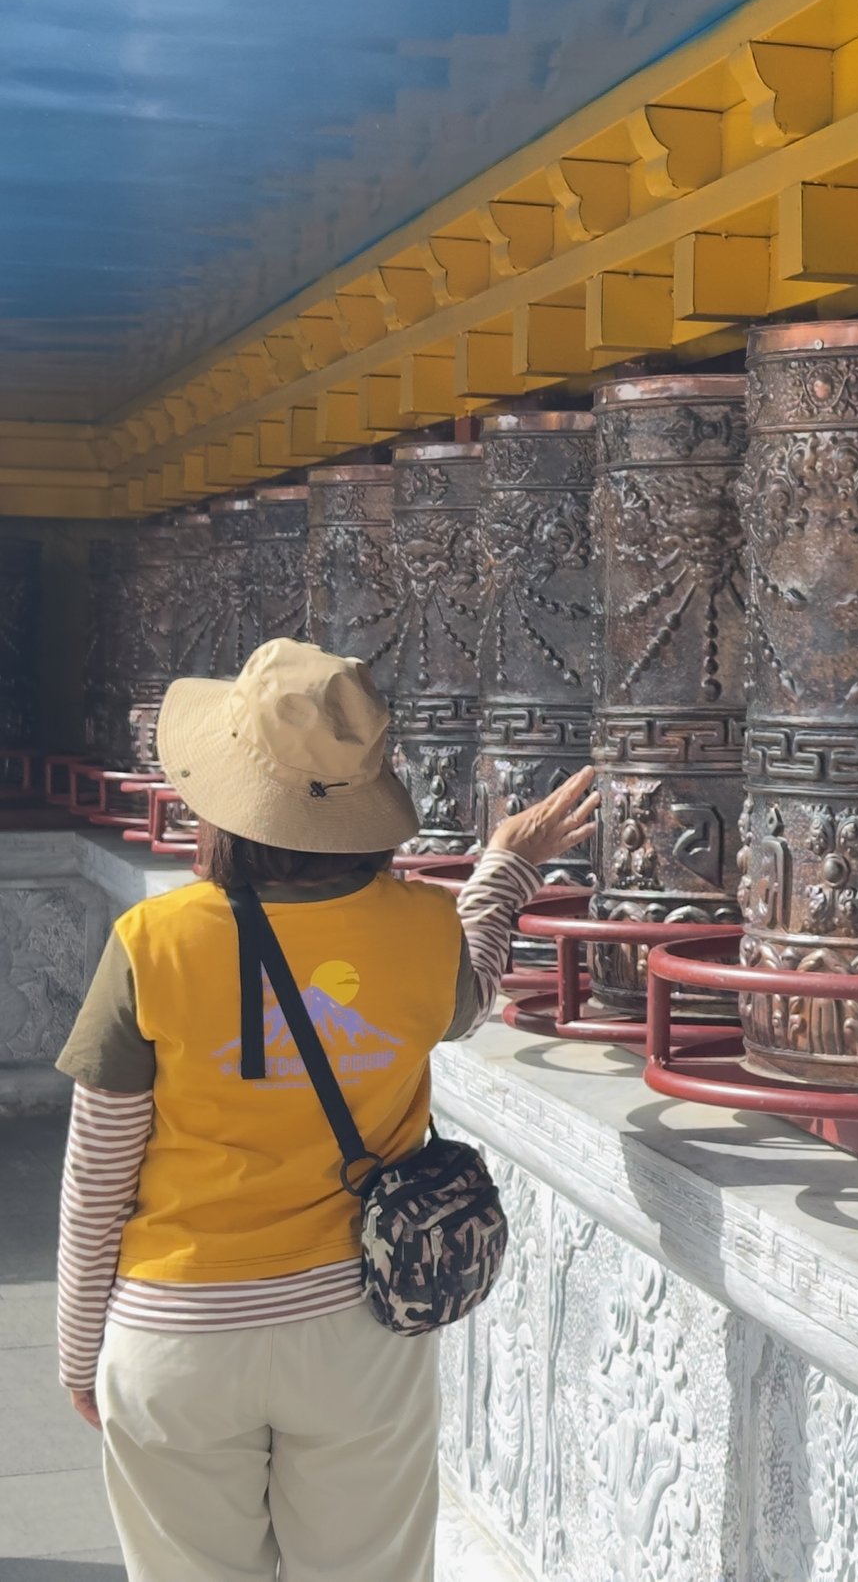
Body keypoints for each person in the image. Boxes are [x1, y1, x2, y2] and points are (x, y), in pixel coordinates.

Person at [51, 637, 597, 1582]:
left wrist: (77, 1346)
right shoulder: (421, 928)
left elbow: (98, 1170)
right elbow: (472, 985)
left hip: (175, 1330)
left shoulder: (153, 942)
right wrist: (507, 863)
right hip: (355, 1329)